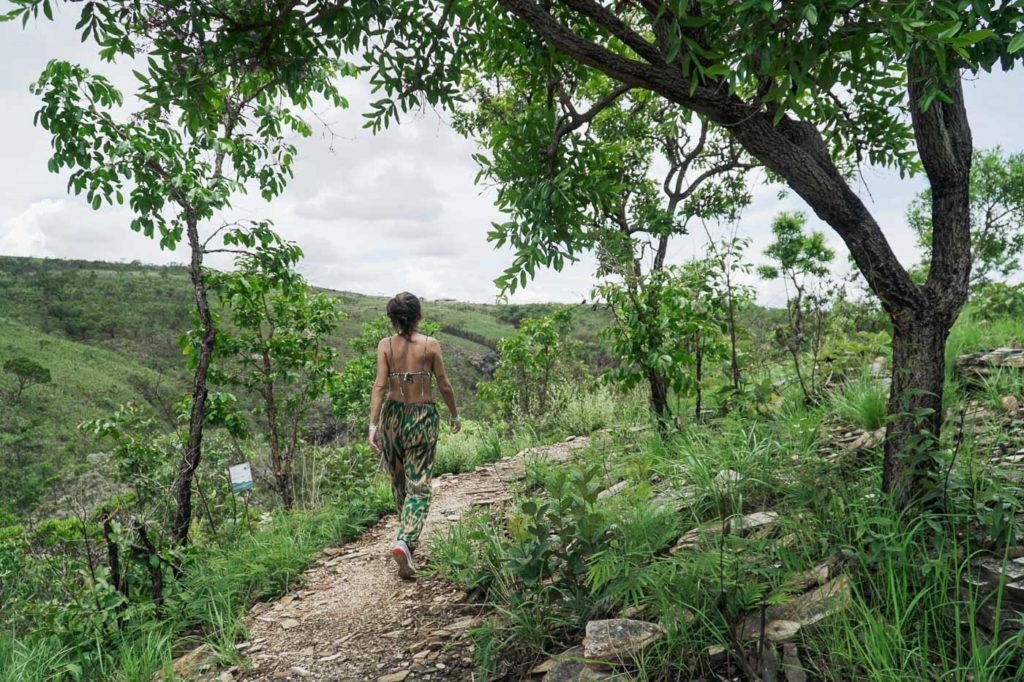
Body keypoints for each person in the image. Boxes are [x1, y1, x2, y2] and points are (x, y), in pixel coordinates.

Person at [368, 292, 460, 579]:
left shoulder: (385, 346)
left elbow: (380, 386)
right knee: (419, 484)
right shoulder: (431, 345)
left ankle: (405, 540)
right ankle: (406, 541)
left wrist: (372, 426)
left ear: (393, 318)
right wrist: (454, 414)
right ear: (418, 315)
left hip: (392, 417)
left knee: (399, 481)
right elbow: (443, 384)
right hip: (421, 415)